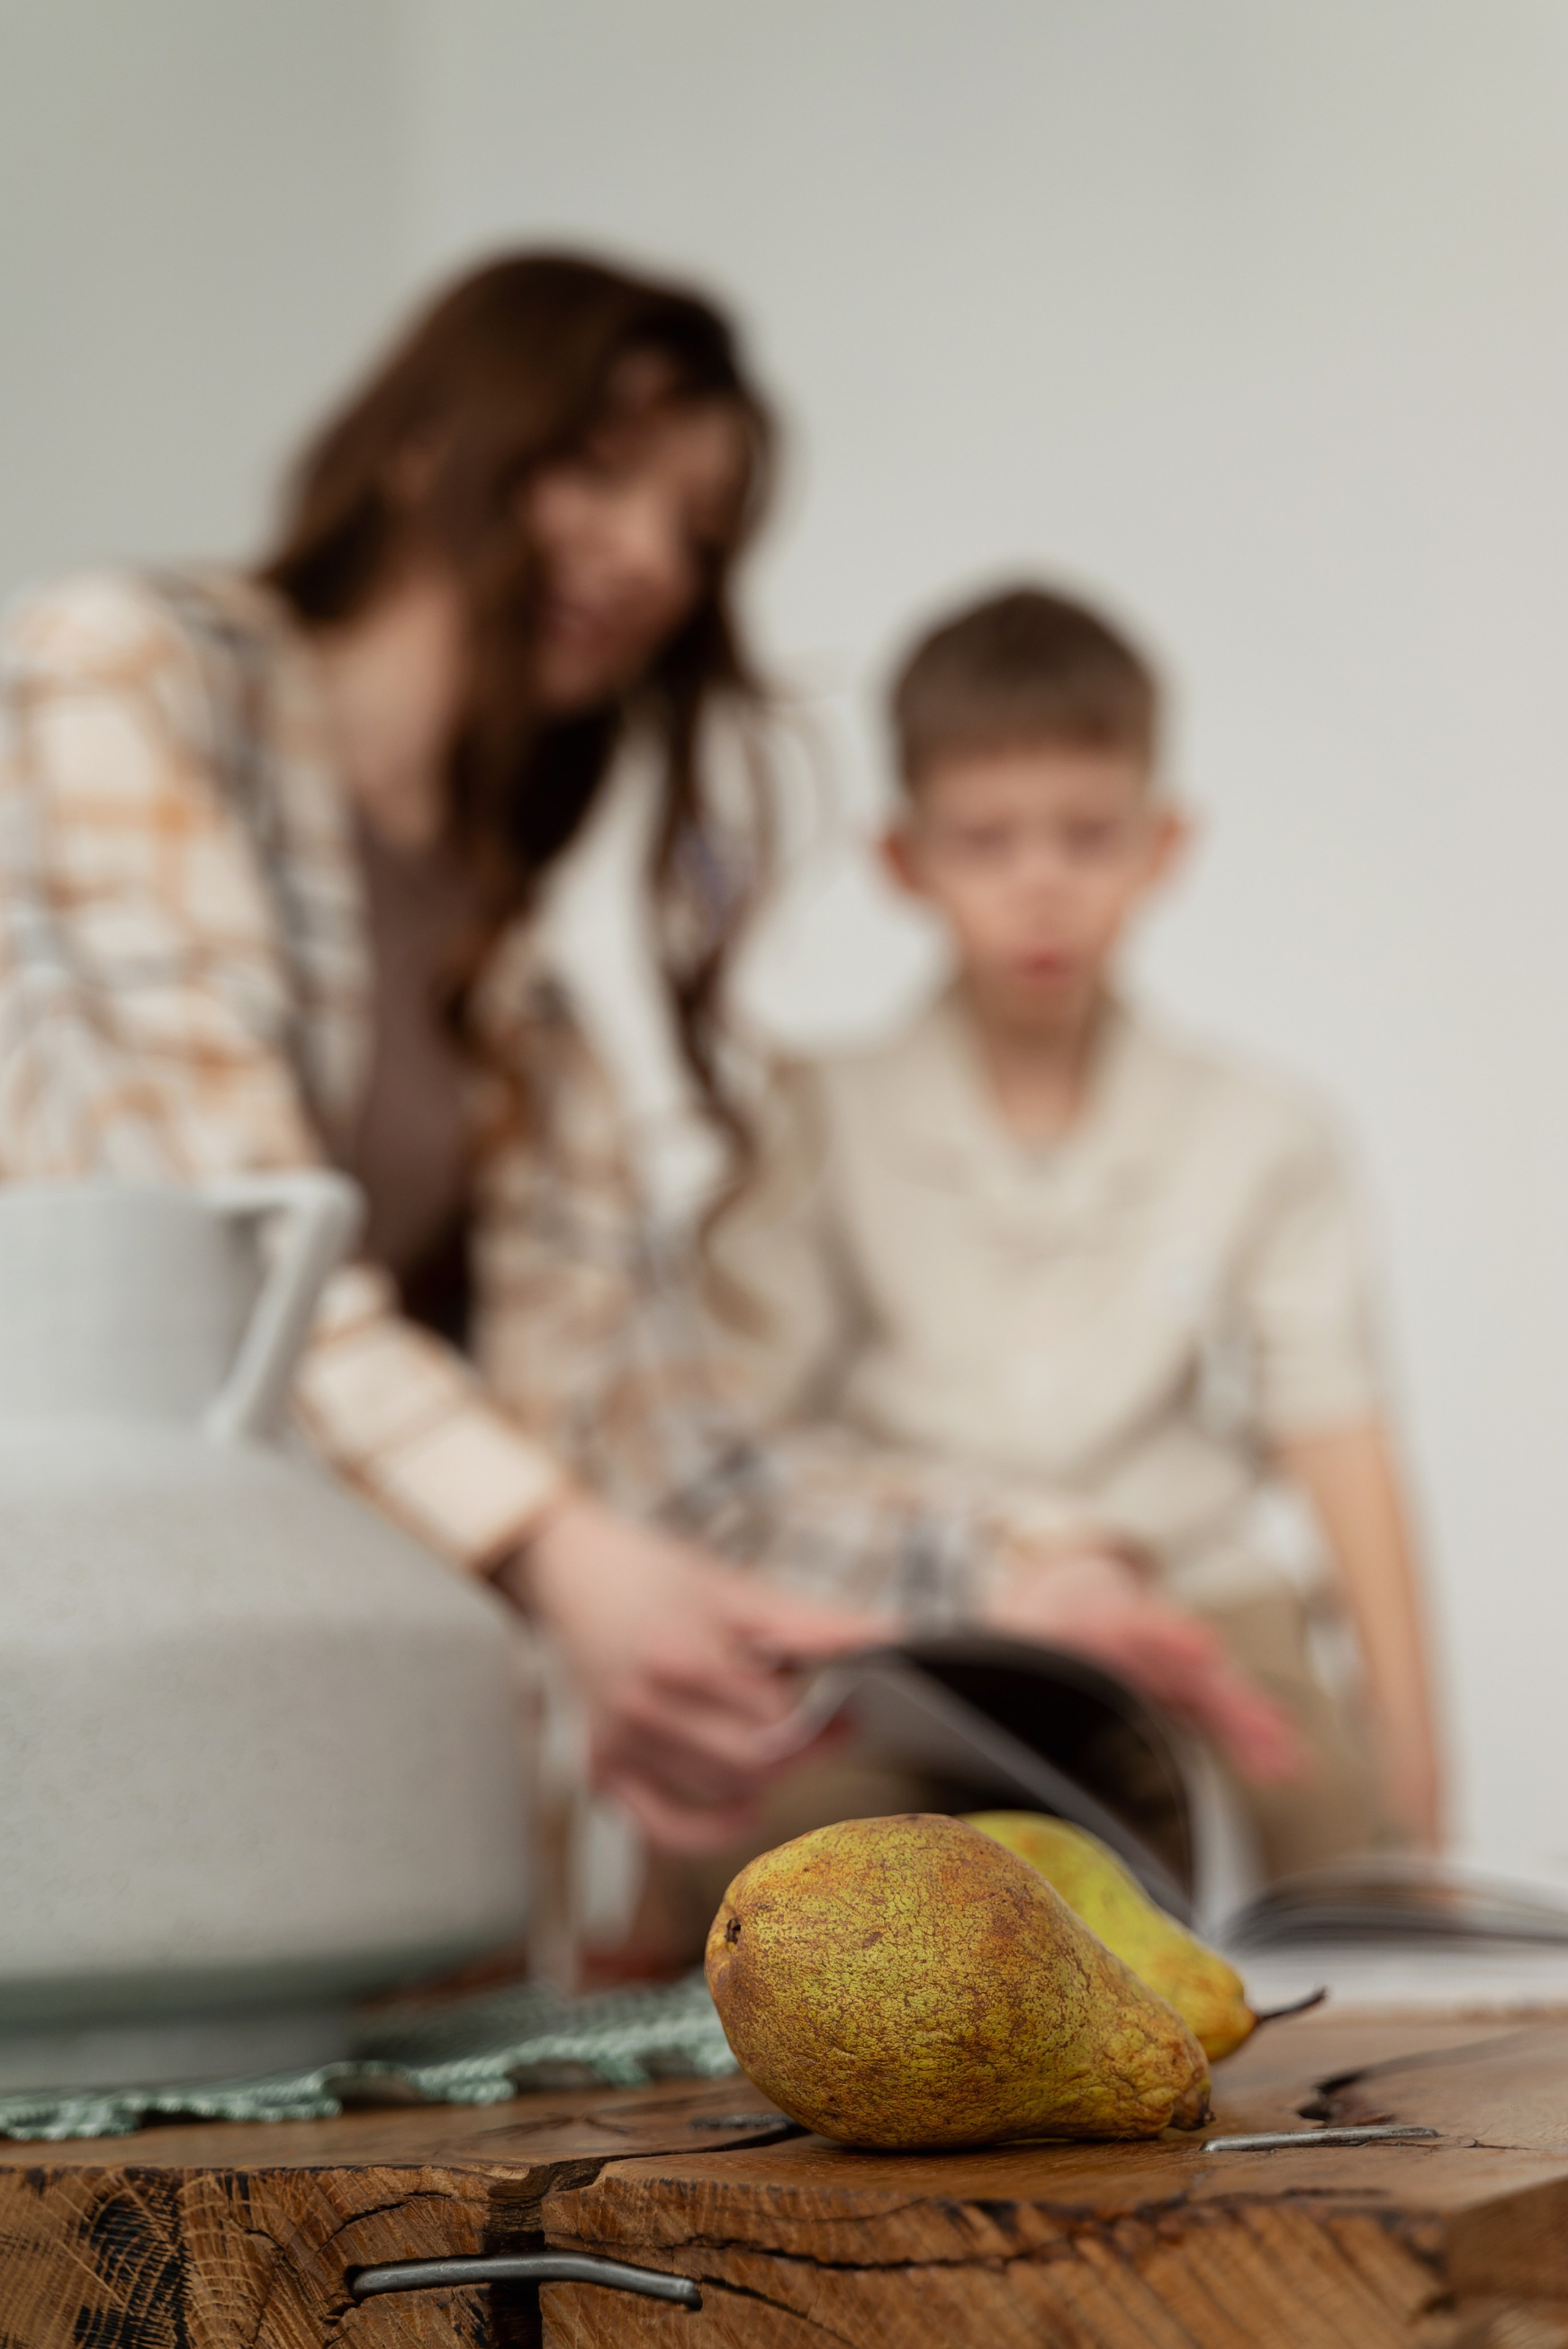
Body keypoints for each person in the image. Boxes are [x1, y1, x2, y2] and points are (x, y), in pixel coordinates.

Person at [0, 256, 1284, 1866]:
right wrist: (557, 1551)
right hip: (76, 1714)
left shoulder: (524, 1002)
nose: (649, 558)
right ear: (427, 439)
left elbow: (679, 1461)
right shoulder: (120, 673)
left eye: (698, 527)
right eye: (599, 471)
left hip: (316, 1772)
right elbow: (225, 1253)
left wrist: (1027, 1573)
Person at [708, 583, 1443, 1875]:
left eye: (1085, 835)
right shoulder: (807, 1122)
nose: (1038, 883)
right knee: (781, 1856)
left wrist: (1413, 1780)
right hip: (912, 1612)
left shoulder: (1263, 1128)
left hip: (1187, 1593)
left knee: (1327, 1834)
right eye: (985, 841)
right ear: (903, 859)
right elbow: (732, 1436)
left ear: (1161, 844)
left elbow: (1335, 1433)